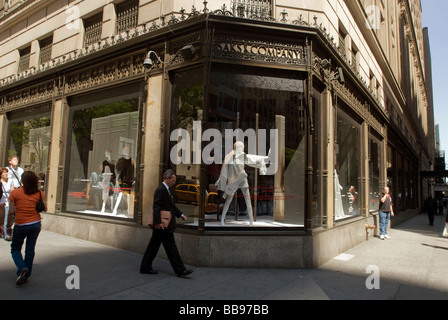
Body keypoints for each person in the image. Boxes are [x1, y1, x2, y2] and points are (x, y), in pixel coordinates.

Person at [140, 169, 193, 277]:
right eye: (173, 180)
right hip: (163, 225)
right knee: (170, 247)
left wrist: (181, 215)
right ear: (167, 178)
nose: (174, 183)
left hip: (163, 226)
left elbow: (171, 206)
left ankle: (145, 267)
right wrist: (158, 223)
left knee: (154, 247)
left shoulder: (167, 190)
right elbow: (156, 207)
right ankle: (180, 270)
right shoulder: (161, 189)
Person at [215, 141, 270, 226]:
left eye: (243, 148)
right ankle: (222, 219)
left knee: (247, 199)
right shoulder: (228, 157)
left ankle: (251, 220)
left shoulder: (243, 155)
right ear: (237, 148)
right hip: (233, 180)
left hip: (242, 178)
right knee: (228, 200)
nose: (243, 149)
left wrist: (266, 158)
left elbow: (253, 158)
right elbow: (224, 171)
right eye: (241, 147)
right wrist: (221, 181)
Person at [8, 171, 46, 285]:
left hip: (21, 225)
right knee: (30, 249)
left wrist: (8, 225)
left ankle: (22, 267)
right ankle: (25, 275)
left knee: (15, 248)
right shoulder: (39, 193)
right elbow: (45, 208)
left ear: (22, 180)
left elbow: (10, 211)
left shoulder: (15, 193)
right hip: (35, 224)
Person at [0, 167, 14, 241]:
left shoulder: (11, 181)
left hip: (8, 201)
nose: (6, 174)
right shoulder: (0, 182)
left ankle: (6, 234)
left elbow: (12, 191)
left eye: (7, 172)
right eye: (4, 172)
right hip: (1, 200)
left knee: (6, 218)